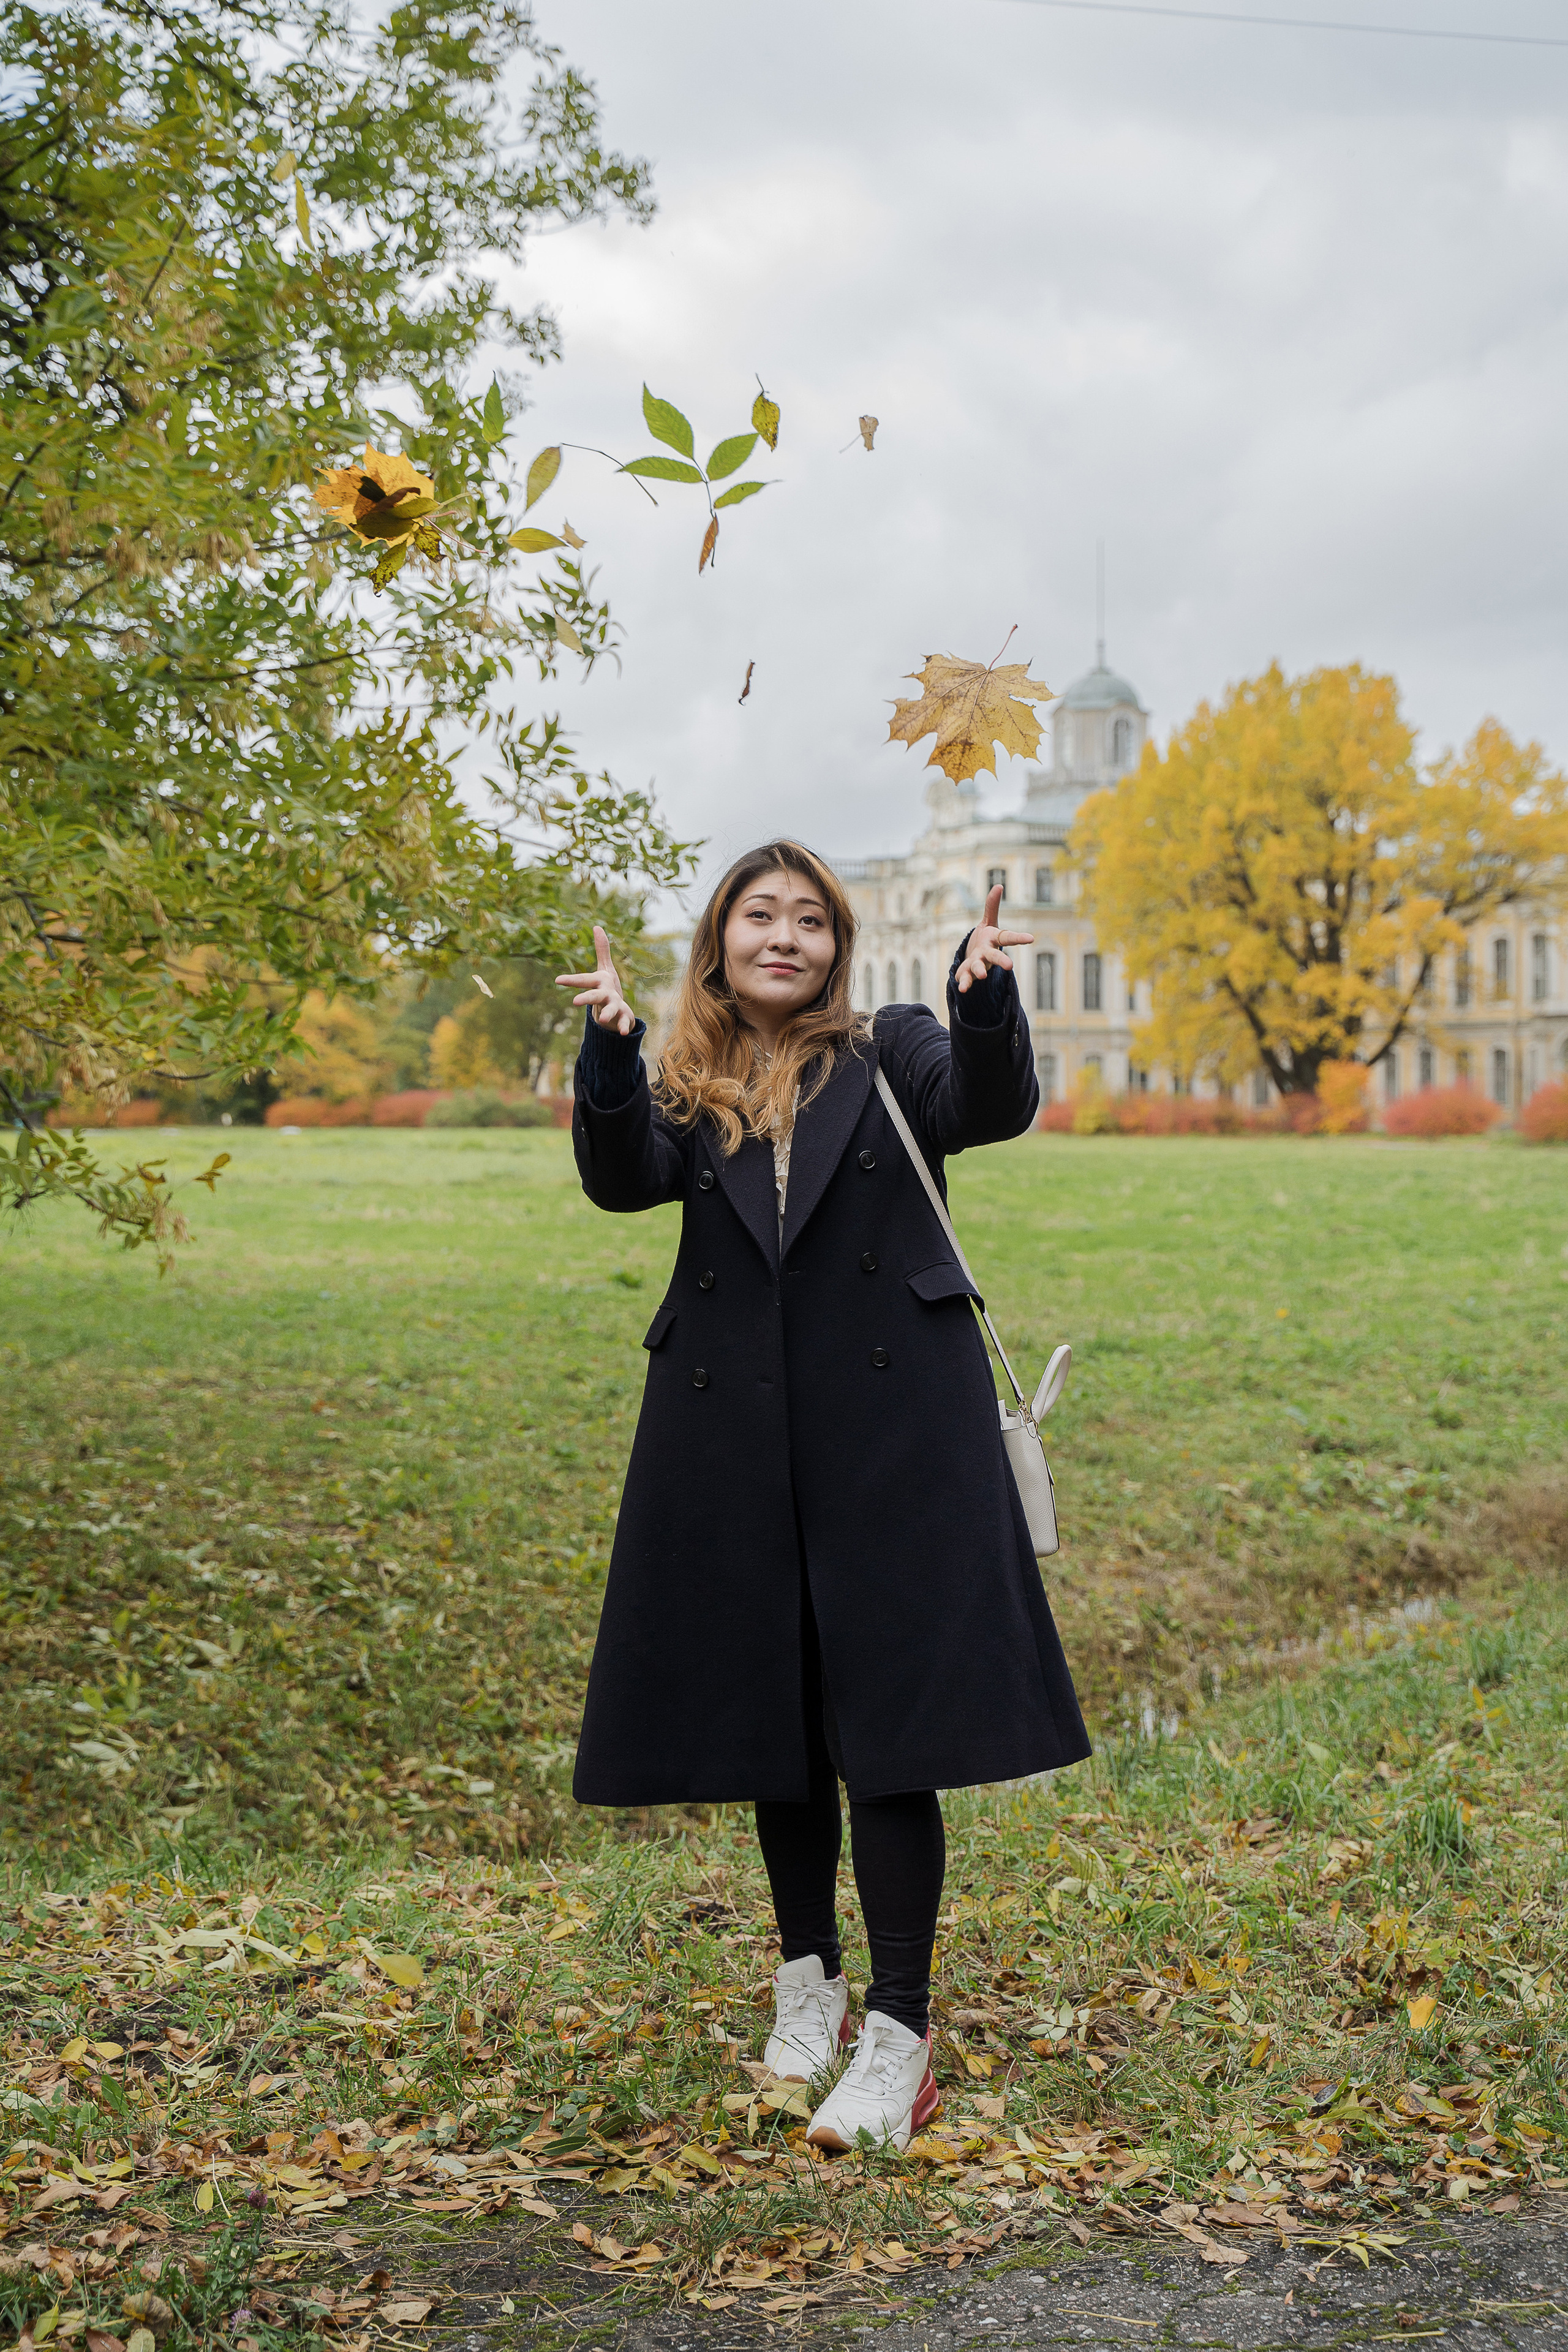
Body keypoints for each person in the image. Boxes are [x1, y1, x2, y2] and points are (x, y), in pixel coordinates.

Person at [556, 839, 1089, 2152]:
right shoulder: (690, 1083)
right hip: (730, 1438)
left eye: (807, 919)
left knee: (886, 1732)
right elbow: (618, 1182)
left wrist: (980, 1001)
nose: (782, 936)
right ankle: (809, 1987)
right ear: (720, 941)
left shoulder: (891, 1049)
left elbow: (986, 1101)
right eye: (758, 916)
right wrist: (614, 1056)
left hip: (892, 1435)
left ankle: (898, 2035)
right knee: (772, 1721)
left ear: (837, 946)